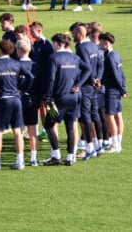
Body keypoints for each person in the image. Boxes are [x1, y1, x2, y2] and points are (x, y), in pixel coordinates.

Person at [41, 32, 91, 166]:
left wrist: (47, 96)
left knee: (48, 125)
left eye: (54, 43)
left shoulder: (54, 58)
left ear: (58, 44)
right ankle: (70, 157)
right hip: (74, 97)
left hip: (56, 98)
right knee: (70, 125)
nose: (53, 46)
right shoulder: (74, 57)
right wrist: (78, 85)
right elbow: (88, 70)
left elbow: (51, 78)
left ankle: (56, 155)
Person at [0, 40, 28, 170]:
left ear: (0, 50)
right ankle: (20, 161)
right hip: (16, 99)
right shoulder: (16, 63)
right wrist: (21, 89)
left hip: (3, 99)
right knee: (17, 131)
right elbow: (30, 77)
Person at [71, 22, 103, 160]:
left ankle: (89, 148)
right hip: (94, 85)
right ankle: (98, 145)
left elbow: (86, 68)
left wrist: (79, 84)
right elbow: (100, 64)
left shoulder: (82, 48)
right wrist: (98, 79)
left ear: (79, 34)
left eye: (73, 34)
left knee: (85, 116)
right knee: (93, 113)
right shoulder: (93, 45)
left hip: (85, 86)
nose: (72, 36)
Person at [99, 32, 127, 153]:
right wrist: (123, 88)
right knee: (118, 115)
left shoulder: (109, 57)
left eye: (100, 42)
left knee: (109, 116)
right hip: (117, 89)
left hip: (112, 90)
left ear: (106, 42)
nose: (99, 44)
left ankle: (115, 145)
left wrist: (122, 90)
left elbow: (115, 76)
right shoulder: (116, 55)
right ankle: (118, 142)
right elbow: (121, 74)